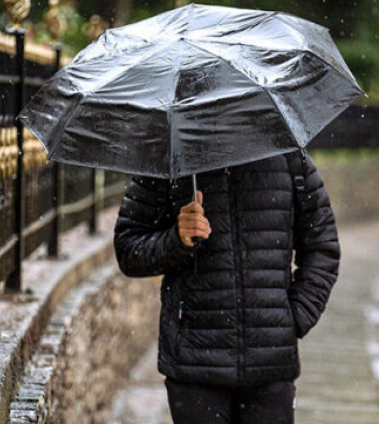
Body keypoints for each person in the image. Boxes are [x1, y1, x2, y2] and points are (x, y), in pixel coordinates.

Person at [113, 151, 340, 424]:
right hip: (195, 364)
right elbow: (128, 250)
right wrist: (177, 239)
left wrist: (294, 317)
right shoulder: (169, 158)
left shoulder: (288, 156)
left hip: (269, 366)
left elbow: (322, 246)